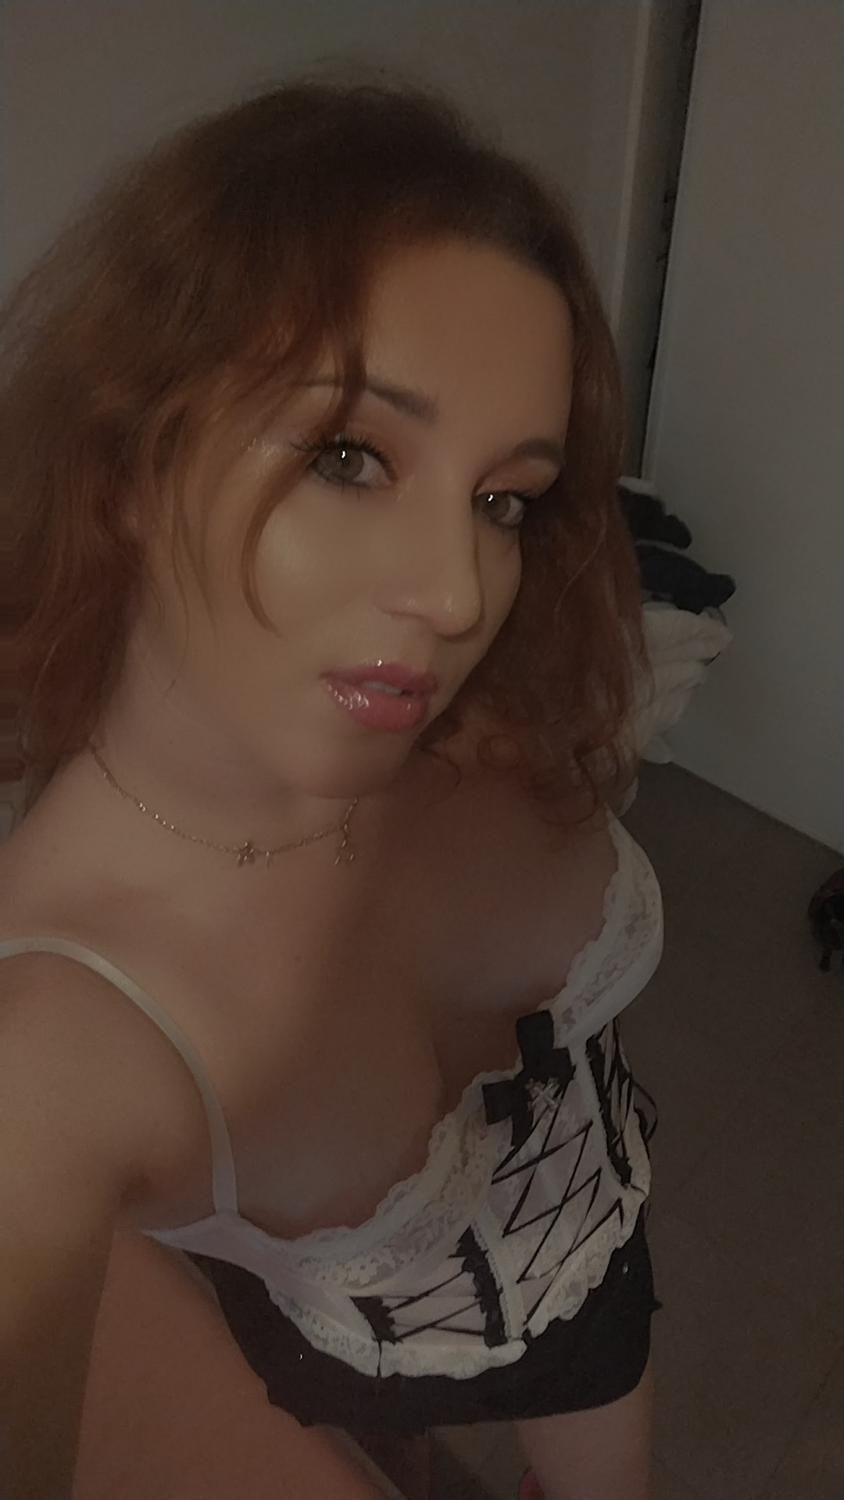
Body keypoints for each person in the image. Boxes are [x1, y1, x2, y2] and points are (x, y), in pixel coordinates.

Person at [0, 75, 664, 1500]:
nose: (456, 594)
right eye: (351, 456)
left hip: (608, 1283)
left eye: (503, 500)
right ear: (129, 463)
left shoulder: (453, 713)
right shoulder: (50, 1050)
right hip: (368, 1366)